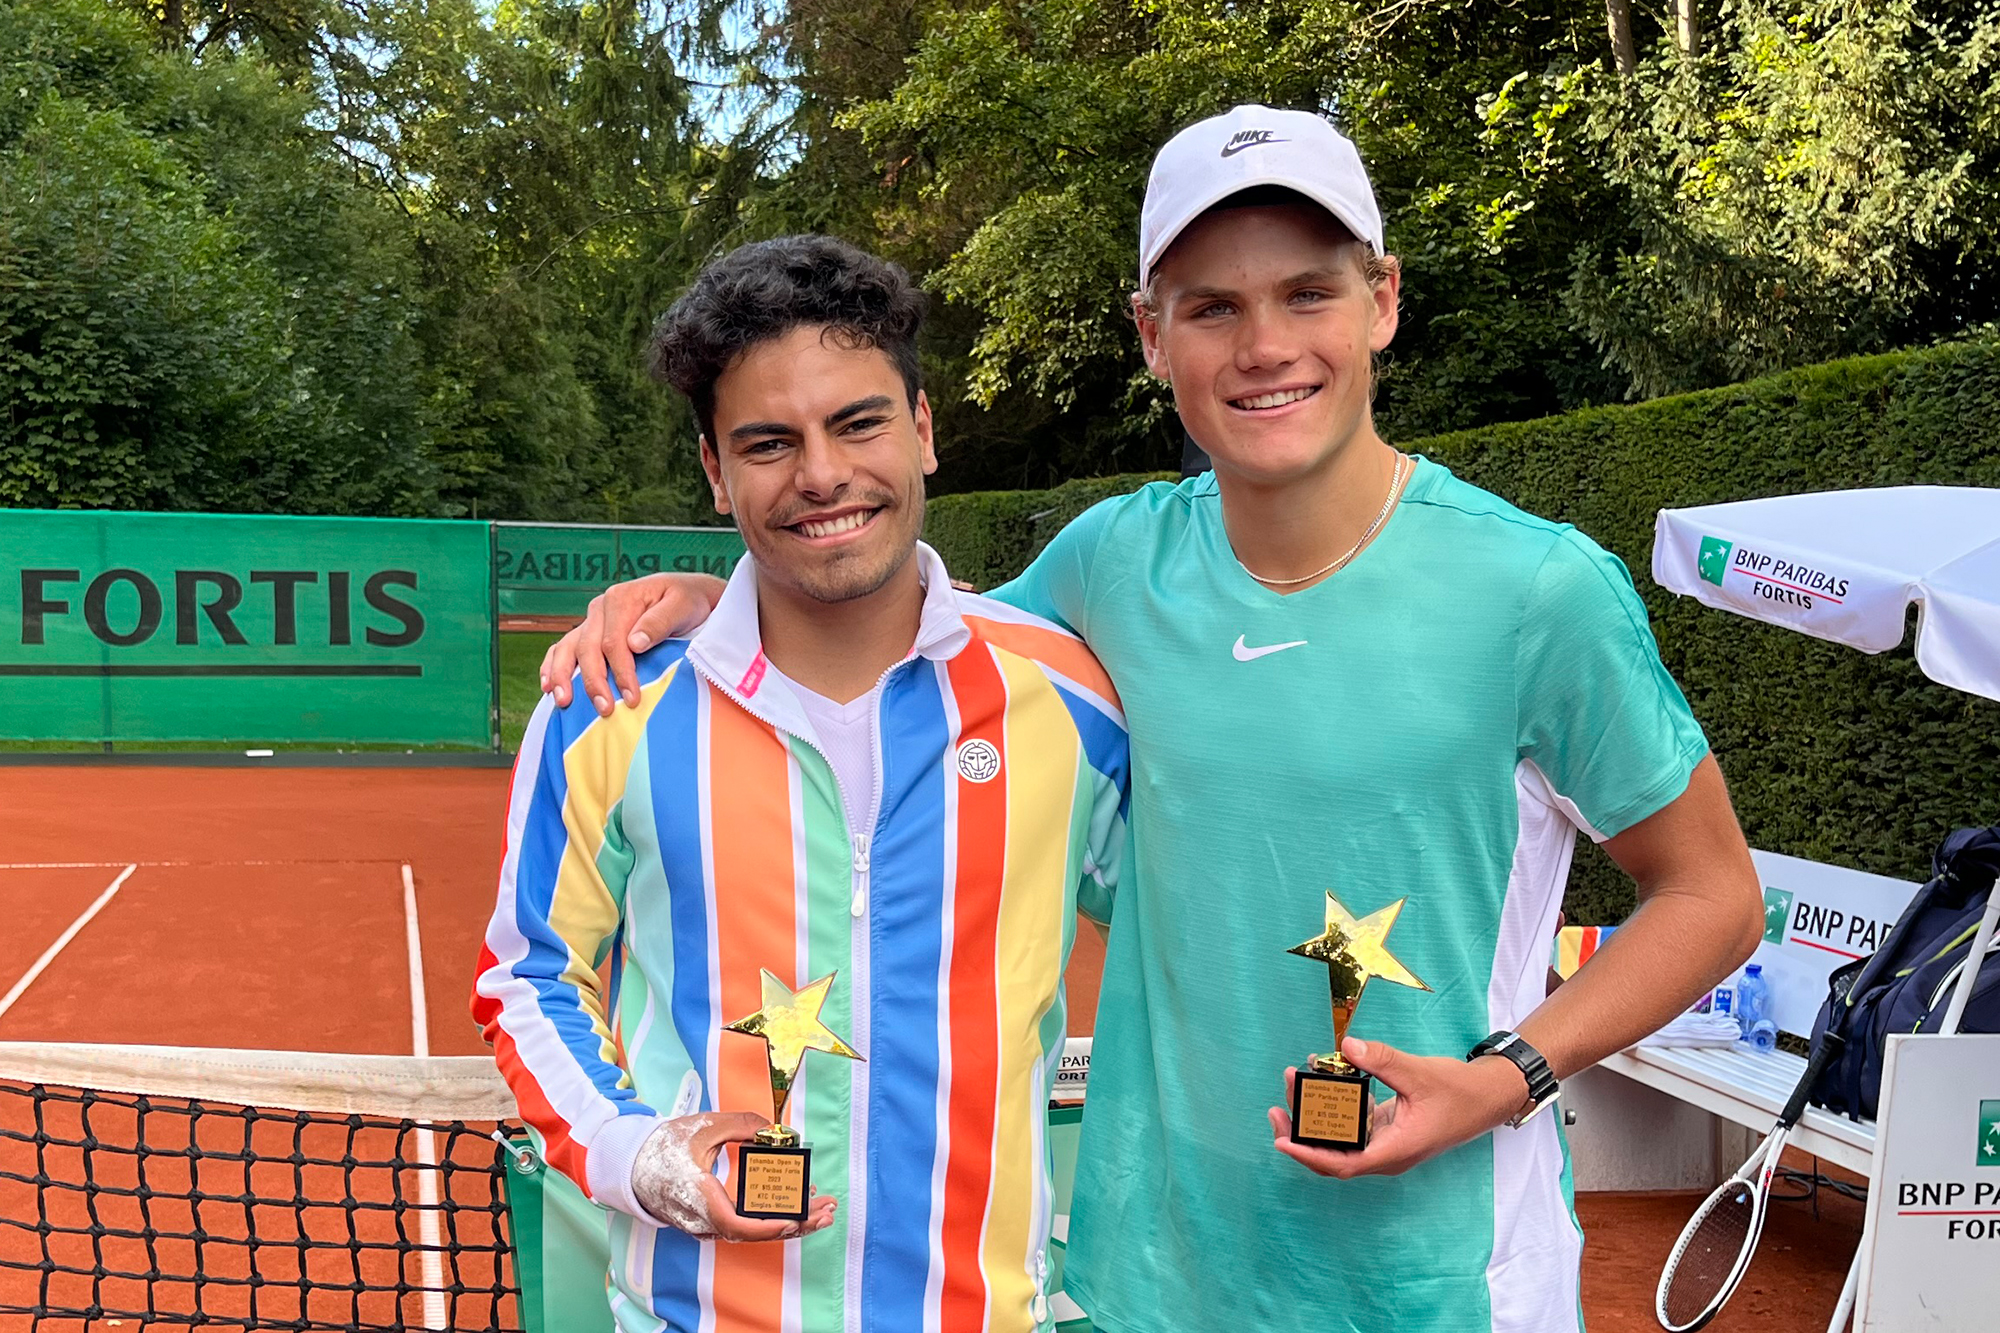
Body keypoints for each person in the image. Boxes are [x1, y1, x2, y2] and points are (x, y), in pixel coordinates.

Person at [536, 106, 1766, 1332]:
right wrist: (727, 599)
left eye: (1306, 293)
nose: (1263, 346)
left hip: (1439, 1286)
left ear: (1380, 301)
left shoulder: (1538, 592)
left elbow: (1712, 898)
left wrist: (1505, 1079)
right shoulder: (1104, 568)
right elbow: (904, 624)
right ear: (1150, 335)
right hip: (1145, 1287)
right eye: (1212, 307)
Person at [473, 234, 1129, 1332]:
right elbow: (530, 971)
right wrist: (640, 1151)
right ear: (714, 470)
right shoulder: (607, 703)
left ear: (923, 431)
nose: (821, 474)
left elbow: (1193, 942)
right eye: (769, 442)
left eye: (858, 421)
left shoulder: (1067, 698)